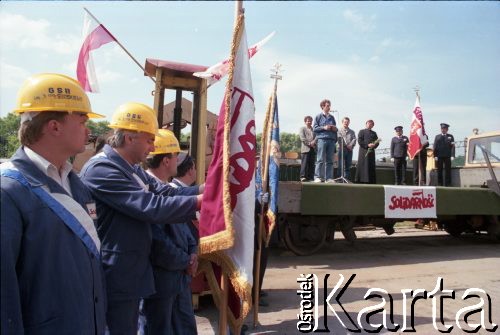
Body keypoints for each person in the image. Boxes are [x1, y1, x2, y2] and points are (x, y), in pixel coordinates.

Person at [80, 102, 203, 334]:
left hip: (133, 270)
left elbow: (166, 193)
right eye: (148, 140)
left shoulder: (129, 168)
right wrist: (200, 202)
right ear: (129, 138)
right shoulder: (101, 169)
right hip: (117, 273)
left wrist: (204, 192)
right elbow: (149, 206)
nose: (152, 147)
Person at [1, 73, 106, 334]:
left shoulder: (76, 184)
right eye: (82, 121)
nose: (88, 130)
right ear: (54, 127)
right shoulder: (8, 191)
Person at [142, 131, 198, 335]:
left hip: (179, 277)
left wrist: (192, 252)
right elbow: (157, 241)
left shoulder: (166, 189)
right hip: (161, 280)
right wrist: (186, 261)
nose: (178, 161)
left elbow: (185, 229)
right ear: (166, 161)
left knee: (185, 328)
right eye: (176, 156)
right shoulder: (147, 190)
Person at [312, 99, 337, 183]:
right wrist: (324, 127)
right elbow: (314, 128)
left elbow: (335, 128)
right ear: (322, 106)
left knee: (330, 160)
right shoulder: (318, 116)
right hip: (322, 139)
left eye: (329, 105)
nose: (329, 107)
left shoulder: (332, 117)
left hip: (331, 140)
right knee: (320, 159)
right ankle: (318, 177)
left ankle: (329, 178)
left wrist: (334, 129)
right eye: (327, 106)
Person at [355, 119, 379, 184]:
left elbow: (377, 142)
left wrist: (374, 145)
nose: (370, 125)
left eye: (371, 124)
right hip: (363, 151)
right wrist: (367, 145)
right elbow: (360, 141)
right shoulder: (361, 131)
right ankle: (361, 180)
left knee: (370, 166)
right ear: (366, 124)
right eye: (369, 123)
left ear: (373, 125)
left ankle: (371, 181)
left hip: (371, 152)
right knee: (363, 165)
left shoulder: (374, 133)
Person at [299, 116, 316, 181]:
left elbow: (316, 137)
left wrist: (314, 143)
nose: (309, 122)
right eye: (308, 121)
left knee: (311, 164)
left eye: (310, 121)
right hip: (305, 149)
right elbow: (302, 138)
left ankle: (311, 177)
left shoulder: (314, 129)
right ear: (305, 122)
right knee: (304, 164)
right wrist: (309, 144)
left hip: (313, 148)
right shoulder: (302, 128)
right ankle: (302, 177)